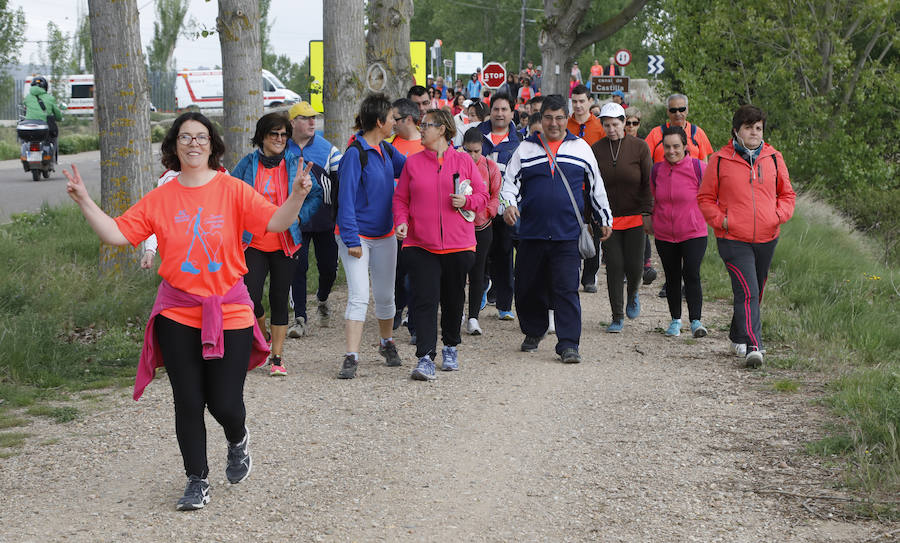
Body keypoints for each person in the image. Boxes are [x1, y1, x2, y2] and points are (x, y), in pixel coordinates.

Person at [63, 112, 315, 510]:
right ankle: (197, 479)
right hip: (178, 311)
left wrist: (297, 195)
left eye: (201, 137)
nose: (193, 143)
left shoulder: (232, 189)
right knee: (188, 400)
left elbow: (274, 222)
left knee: (224, 402)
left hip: (229, 308)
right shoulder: (161, 197)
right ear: (174, 146)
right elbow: (117, 233)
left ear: (212, 145)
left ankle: (237, 438)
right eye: (185, 137)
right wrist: (84, 200)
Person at [501, 94, 612, 363]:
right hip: (531, 232)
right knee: (527, 286)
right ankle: (534, 330)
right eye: (549, 118)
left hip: (567, 233)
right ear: (542, 119)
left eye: (560, 118)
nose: (554, 123)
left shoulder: (581, 148)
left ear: (566, 119)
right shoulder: (526, 149)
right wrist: (509, 205)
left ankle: (569, 344)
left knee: (566, 288)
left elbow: (596, 185)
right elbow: (509, 183)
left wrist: (605, 217)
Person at [697, 104, 795, 368]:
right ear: (736, 130)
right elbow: (705, 198)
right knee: (748, 290)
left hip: (767, 236)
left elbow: (787, 194)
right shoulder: (720, 160)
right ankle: (754, 346)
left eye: (758, 128)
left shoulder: (774, 158)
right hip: (733, 239)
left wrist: (778, 215)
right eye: (748, 127)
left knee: (754, 290)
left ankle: (737, 334)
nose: (754, 133)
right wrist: (723, 221)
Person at [394, 110, 488, 380]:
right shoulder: (413, 163)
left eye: (426, 125)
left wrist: (467, 201)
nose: (421, 129)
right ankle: (425, 357)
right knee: (424, 299)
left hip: (459, 245)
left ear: (443, 129)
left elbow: (483, 194)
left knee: (453, 299)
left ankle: (450, 346)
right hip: (420, 244)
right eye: (421, 125)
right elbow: (400, 199)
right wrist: (401, 221)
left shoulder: (464, 160)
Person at [232, 112, 324, 377]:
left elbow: (316, 195)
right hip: (252, 242)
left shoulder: (295, 164)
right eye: (274, 134)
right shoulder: (247, 164)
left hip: (286, 242)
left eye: (284, 135)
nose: (280, 139)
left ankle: (277, 357)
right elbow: (230, 193)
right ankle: (262, 337)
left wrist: (299, 217)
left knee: (280, 298)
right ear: (262, 136)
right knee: (250, 297)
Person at [335, 93, 407, 379]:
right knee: (359, 295)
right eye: (391, 119)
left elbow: (411, 169)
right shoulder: (355, 154)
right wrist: (351, 239)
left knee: (386, 295)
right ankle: (351, 356)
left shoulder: (387, 150)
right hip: (357, 237)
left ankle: (386, 342)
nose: (394, 123)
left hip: (385, 234)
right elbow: (345, 199)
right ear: (379, 122)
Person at [645, 94, 715, 297]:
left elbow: (705, 165)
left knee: (689, 250)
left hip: (690, 202)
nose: (678, 113)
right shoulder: (656, 134)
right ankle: (671, 283)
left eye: (682, 109)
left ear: (687, 110)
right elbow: (646, 161)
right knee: (670, 249)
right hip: (664, 197)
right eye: (673, 110)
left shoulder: (697, 133)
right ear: (667, 112)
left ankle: (686, 283)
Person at [592, 102, 652, 333]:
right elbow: (590, 184)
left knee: (635, 266)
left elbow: (647, 181)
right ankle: (617, 315)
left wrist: (648, 212)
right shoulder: (596, 149)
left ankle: (633, 292)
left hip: (635, 216)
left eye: (615, 125)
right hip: (608, 219)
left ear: (624, 123)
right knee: (615, 266)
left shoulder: (639, 147)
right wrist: (590, 217)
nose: (611, 129)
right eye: (607, 125)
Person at [285, 101, 342, 338]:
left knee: (329, 268)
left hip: (324, 220)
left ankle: (322, 298)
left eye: (314, 118)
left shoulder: (328, 150)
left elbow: (341, 183)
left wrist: (341, 215)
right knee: (297, 268)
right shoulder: (281, 147)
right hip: (294, 219)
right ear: (292, 122)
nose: (312, 122)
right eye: (305, 118)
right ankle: (299, 318)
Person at [646, 126, 709, 338]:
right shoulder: (657, 170)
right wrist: (650, 219)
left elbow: (712, 196)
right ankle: (675, 321)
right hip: (665, 233)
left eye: (676, 146)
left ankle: (696, 321)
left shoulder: (698, 168)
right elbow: (653, 197)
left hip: (694, 232)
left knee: (691, 273)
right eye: (667, 147)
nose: (671, 151)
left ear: (685, 146)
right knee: (672, 276)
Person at [478, 93, 521, 321]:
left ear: (512, 112)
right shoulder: (476, 135)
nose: (500, 113)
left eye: (505, 109)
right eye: (496, 109)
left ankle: (504, 304)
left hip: (505, 208)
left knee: (504, 255)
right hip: (478, 207)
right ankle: (479, 293)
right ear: (490, 111)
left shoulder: (519, 141)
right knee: (479, 255)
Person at [389, 97, 426, 338]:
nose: (391, 123)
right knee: (396, 270)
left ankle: (415, 321)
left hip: (419, 220)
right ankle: (396, 308)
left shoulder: (426, 143)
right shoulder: (389, 144)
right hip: (393, 219)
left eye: (396, 119)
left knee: (416, 273)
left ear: (409, 120)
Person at [461, 127, 502, 336]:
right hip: (459, 228)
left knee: (478, 272)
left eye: (476, 151)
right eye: (468, 151)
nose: (472, 155)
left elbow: (496, 194)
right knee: (457, 272)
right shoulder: (455, 164)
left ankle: (473, 317)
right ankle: (457, 312)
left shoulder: (490, 167)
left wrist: (488, 211)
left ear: (483, 149)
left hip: (482, 227)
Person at [567, 84, 607, 292]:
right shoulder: (565, 124)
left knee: (595, 230)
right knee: (571, 229)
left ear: (590, 102)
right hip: (571, 185)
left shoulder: (599, 127)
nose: (578, 105)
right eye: (574, 101)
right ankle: (572, 271)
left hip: (592, 184)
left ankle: (590, 276)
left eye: (582, 101)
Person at [23, 75, 63, 157]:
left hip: (29, 126)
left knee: (26, 140)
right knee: (53, 137)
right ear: (45, 87)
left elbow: (25, 107)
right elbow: (58, 115)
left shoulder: (27, 97)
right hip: (43, 127)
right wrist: (59, 118)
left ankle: (26, 154)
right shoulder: (50, 98)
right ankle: (53, 157)